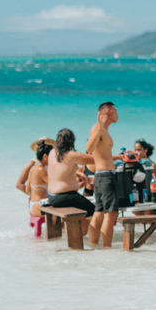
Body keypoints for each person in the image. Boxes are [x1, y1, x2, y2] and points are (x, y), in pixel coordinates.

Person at [43, 128, 95, 235]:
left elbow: (60, 169)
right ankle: (83, 236)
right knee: (94, 211)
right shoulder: (71, 154)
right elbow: (94, 159)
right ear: (71, 141)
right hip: (65, 197)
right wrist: (117, 157)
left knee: (85, 209)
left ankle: (79, 234)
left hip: (52, 197)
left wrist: (78, 173)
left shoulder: (52, 152)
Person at [86, 101, 119, 248]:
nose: (118, 114)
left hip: (101, 176)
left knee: (99, 212)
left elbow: (104, 155)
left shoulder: (105, 130)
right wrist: (99, 128)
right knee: (110, 215)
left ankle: (94, 246)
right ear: (110, 113)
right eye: (116, 111)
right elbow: (89, 149)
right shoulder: (97, 128)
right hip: (106, 177)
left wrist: (120, 157)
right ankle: (107, 249)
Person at [26, 141, 52, 217]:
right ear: (45, 156)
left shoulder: (33, 168)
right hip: (40, 205)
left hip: (33, 205)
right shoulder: (41, 170)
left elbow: (28, 190)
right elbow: (53, 187)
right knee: (59, 214)